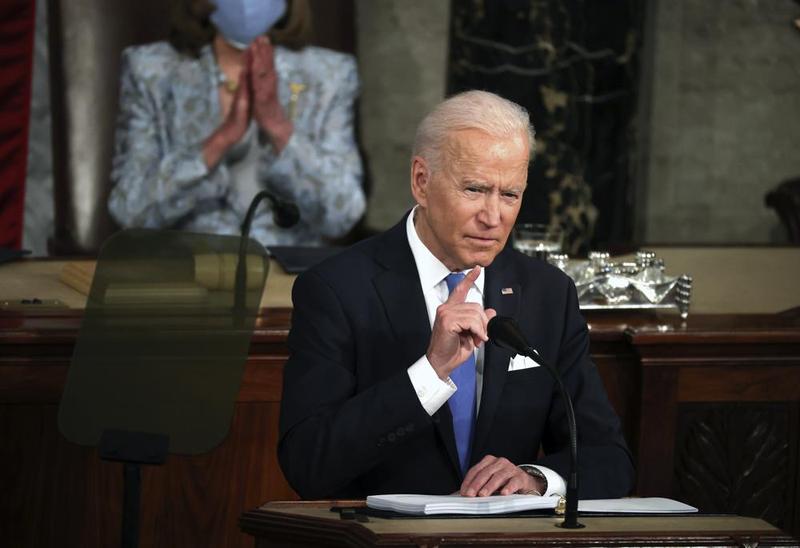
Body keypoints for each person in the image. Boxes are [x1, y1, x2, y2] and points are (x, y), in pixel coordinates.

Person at [278, 91, 634, 500]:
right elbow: (307, 463)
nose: (492, 217)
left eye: (510, 195)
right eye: (474, 189)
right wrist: (429, 374)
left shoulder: (548, 295)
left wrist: (535, 478)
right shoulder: (337, 290)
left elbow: (609, 458)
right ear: (421, 181)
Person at [109, 0, 365, 246]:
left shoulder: (329, 75)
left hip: (291, 280)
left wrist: (278, 128)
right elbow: (130, 213)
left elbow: (343, 215)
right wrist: (218, 143)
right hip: (190, 277)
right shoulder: (150, 70)